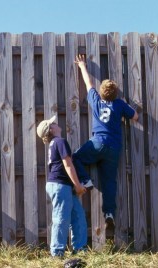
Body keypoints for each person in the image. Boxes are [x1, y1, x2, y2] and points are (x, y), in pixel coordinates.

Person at [73, 54, 139, 230]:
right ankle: (109, 213)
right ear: (115, 93)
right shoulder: (119, 104)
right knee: (109, 181)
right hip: (114, 148)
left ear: (101, 92)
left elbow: (88, 84)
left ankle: (86, 180)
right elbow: (135, 116)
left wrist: (82, 66)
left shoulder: (95, 100)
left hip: (97, 142)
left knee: (75, 158)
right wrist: (127, 106)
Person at [37, 115, 88, 257]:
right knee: (61, 217)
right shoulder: (60, 141)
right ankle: (57, 252)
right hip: (60, 185)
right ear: (51, 130)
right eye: (52, 123)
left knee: (78, 215)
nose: (56, 123)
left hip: (62, 185)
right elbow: (68, 165)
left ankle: (80, 249)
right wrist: (78, 185)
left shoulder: (55, 143)